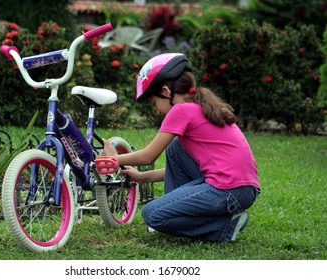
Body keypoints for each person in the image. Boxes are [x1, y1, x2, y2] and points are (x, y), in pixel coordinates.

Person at [104, 53, 260, 242]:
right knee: (176, 148)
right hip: (242, 189)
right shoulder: (197, 106)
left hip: (229, 190)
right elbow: (176, 166)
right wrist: (143, 177)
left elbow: (148, 156)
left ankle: (224, 227)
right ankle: (175, 214)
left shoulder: (181, 109)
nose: (157, 110)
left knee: (152, 215)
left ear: (166, 91)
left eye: (154, 103)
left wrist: (113, 159)